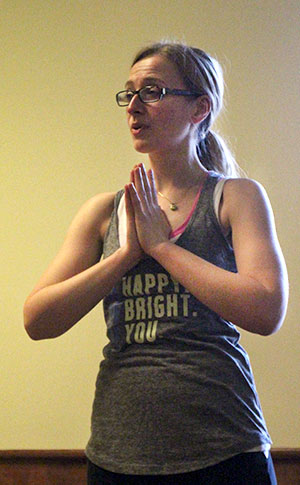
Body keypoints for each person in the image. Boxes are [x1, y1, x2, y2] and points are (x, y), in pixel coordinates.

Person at [24, 41, 288, 484]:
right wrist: (126, 256)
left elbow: (266, 310)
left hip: (226, 449)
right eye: (129, 94)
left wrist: (164, 249)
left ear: (199, 108)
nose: (134, 107)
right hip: (117, 455)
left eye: (153, 91)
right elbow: (37, 319)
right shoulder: (104, 212)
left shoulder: (236, 197)